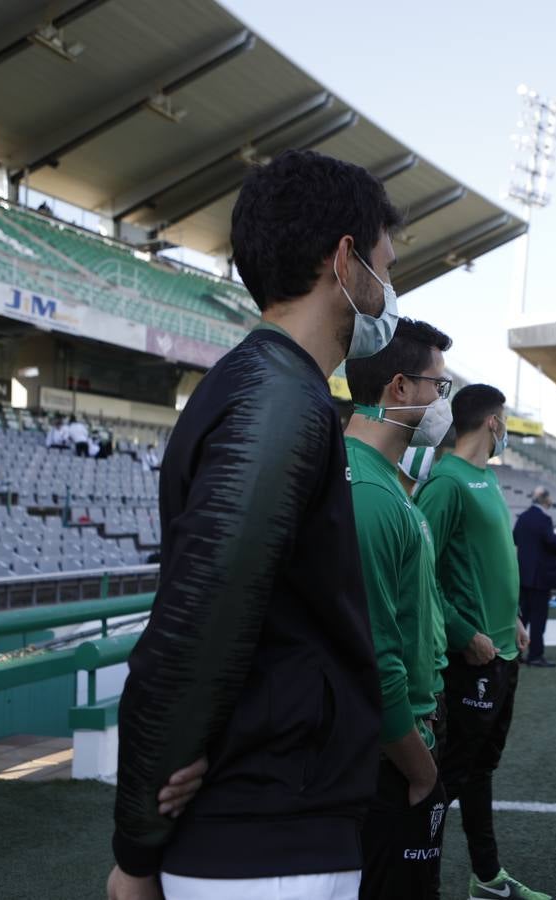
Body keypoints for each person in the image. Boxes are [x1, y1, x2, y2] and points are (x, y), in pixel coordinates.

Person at [108, 149, 402, 900]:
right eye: (385, 265)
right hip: (267, 835)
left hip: (275, 820)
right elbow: (195, 628)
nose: (389, 290)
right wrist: (136, 852)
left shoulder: (275, 388)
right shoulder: (276, 399)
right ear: (345, 260)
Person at [417, 385, 549, 900]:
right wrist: (462, 633)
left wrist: (511, 617)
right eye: (506, 420)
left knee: (479, 770)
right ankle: (405, 878)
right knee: (444, 778)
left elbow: (489, 563)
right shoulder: (446, 482)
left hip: (502, 653)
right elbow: (420, 573)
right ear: (493, 421)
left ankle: (487, 878)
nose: (507, 428)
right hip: (470, 657)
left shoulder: (486, 478)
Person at [343, 318, 455, 900]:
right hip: (387, 755)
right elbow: (374, 655)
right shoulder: (366, 492)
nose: (442, 400)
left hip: (402, 738)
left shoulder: (386, 481)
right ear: (400, 388)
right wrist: (420, 769)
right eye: (438, 385)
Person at [513, 487, 556, 668]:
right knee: (539, 618)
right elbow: (552, 542)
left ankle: (515, 653)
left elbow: (515, 538)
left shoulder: (522, 518)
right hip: (540, 577)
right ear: (544, 499)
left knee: (523, 617)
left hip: (523, 575)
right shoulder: (544, 519)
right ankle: (535, 655)